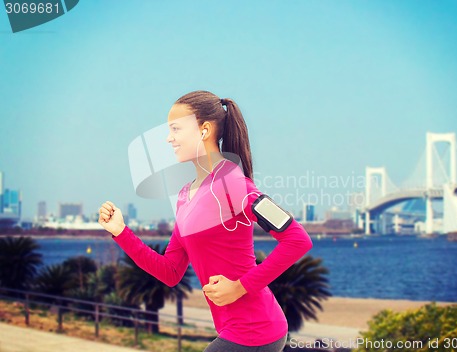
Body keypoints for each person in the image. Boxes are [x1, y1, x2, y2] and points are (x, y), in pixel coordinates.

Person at [99, 90, 313, 352]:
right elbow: (170, 272)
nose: (169, 138)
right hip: (234, 330)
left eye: (176, 129)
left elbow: (298, 240)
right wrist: (121, 232)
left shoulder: (236, 186)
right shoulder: (185, 197)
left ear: (204, 130)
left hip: (256, 330)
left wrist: (241, 287)